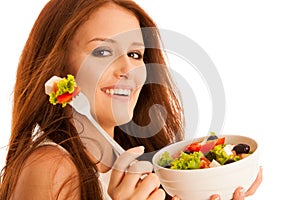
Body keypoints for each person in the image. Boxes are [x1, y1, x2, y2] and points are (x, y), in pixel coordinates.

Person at [0, 0, 262, 200]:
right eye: (103, 51)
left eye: (136, 54)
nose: (128, 69)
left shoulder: (138, 164)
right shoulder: (49, 167)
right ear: (59, 65)